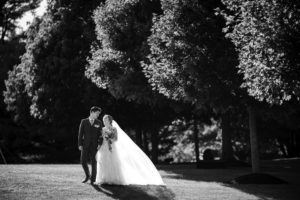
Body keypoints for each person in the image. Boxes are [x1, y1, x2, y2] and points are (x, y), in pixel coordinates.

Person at [95, 115, 165, 185]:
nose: (104, 121)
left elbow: (116, 139)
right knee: (103, 162)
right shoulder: (103, 129)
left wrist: (109, 139)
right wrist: (101, 143)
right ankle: (103, 179)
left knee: (112, 162)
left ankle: (113, 179)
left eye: (106, 120)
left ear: (109, 120)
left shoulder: (114, 129)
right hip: (104, 148)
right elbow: (100, 138)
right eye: (104, 120)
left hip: (112, 147)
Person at [78, 106, 103, 185]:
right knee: (83, 161)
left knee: (94, 162)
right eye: (97, 113)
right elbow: (80, 134)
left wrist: (99, 143)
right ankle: (87, 175)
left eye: (99, 114)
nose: (98, 115)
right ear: (92, 112)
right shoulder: (84, 121)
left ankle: (93, 179)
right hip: (85, 145)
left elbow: (101, 135)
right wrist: (80, 144)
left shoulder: (99, 123)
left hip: (95, 146)